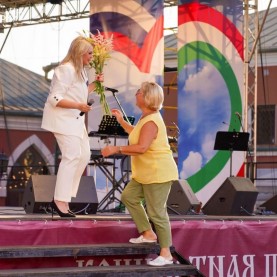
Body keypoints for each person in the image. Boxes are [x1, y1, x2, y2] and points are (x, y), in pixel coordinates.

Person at [101, 81, 179, 266]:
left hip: (157, 172)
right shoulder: (146, 117)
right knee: (129, 197)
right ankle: (148, 233)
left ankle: (166, 253)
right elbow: (136, 133)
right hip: (145, 173)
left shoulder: (152, 121)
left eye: (139, 92)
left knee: (157, 212)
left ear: (146, 97)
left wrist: (116, 149)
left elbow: (142, 147)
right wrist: (121, 122)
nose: (136, 93)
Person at [41, 36, 99, 217]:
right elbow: (54, 98)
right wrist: (78, 106)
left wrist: (95, 84)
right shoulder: (65, 69)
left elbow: (78, 94)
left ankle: (64, 197)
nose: (91, 56)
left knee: (84, 156)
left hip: (75, 121)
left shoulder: (80, 72)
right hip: (63, 120)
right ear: (81, 53)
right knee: (71, 157)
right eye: (89, 53)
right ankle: (60, 200)